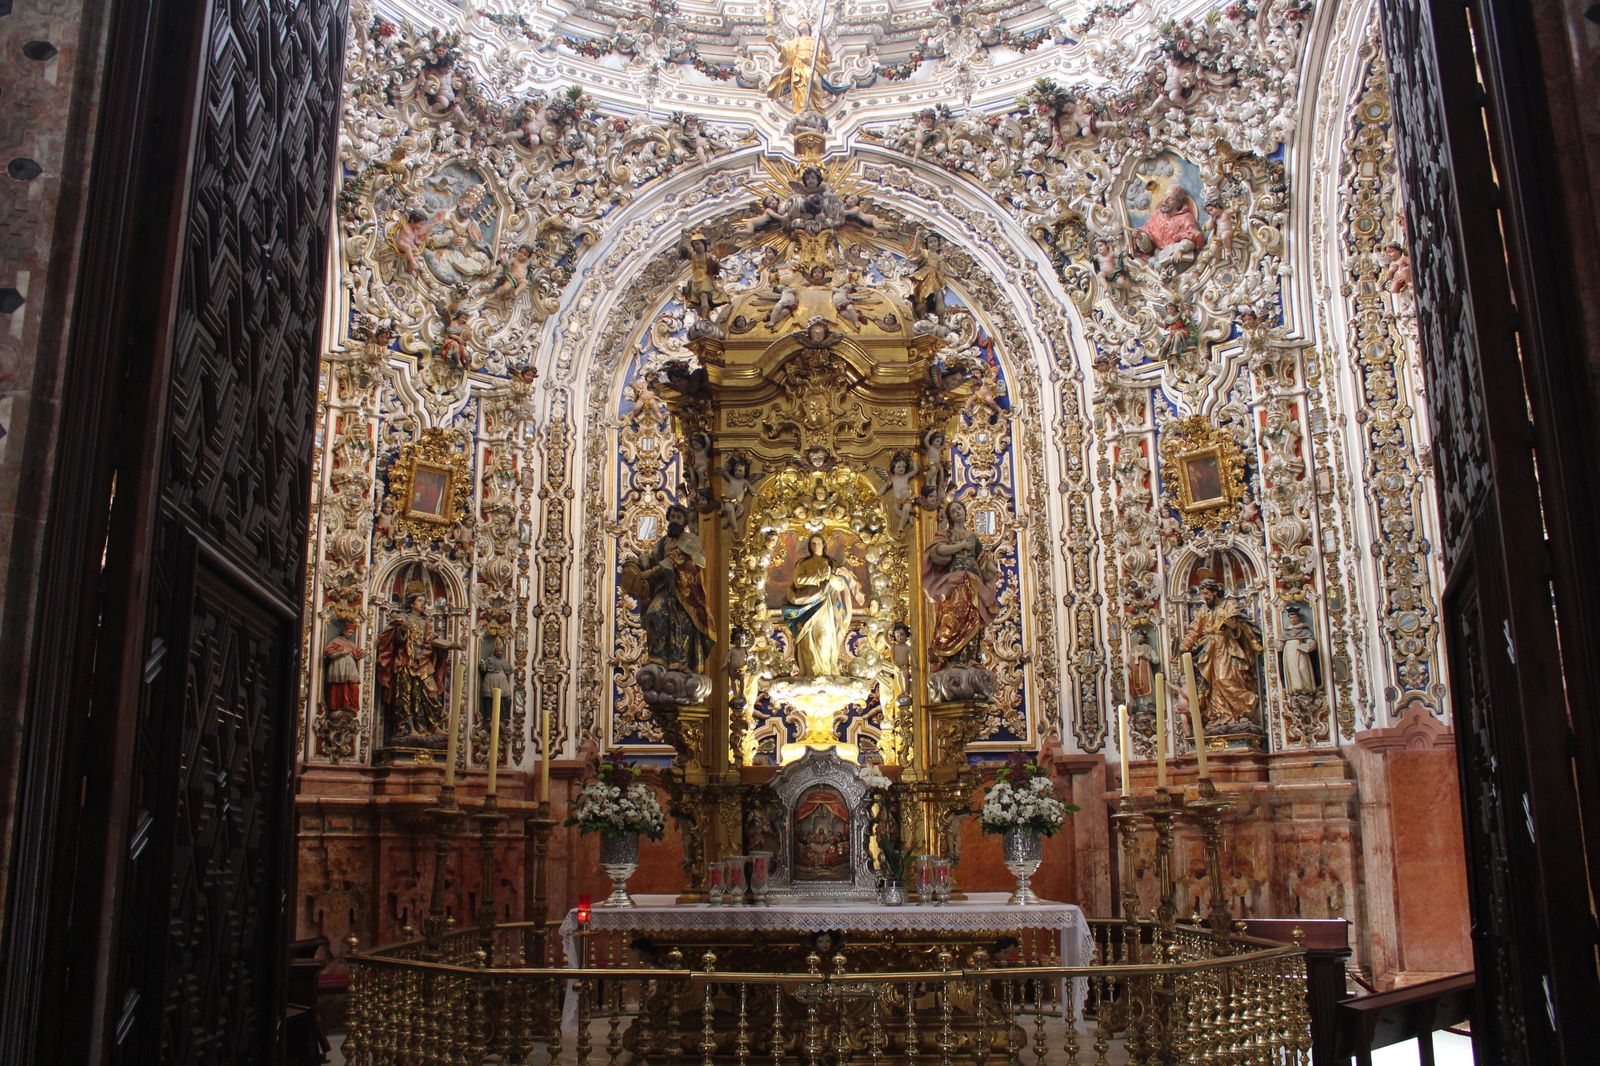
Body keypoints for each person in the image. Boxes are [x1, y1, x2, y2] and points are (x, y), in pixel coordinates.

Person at [375, 583, 460, 741]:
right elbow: (390, 639)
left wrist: (447, 645)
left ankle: (433, 725)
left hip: (423, 661)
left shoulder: (425, 622)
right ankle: (407, 728)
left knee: (431, 693)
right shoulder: (402, 619)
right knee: (405, 696)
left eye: (424, 601)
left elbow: (431, 639)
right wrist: (401, 631)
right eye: (421, 601)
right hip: (405, 661)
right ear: (412, 603)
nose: (424, 604)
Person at [635, 504, 714, 674]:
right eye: (673, 517)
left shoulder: (690, 541)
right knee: (655, 614)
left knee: (680, 625)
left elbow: (683, 561)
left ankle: (680, 661)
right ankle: (658, 657)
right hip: (665, 588)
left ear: (684, 521)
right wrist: (644, 561)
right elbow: (655, 556)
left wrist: (653, 571)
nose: (674, 520)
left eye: (679, 518)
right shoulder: (664, 541)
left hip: (685, 593)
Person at [921, 501, 1000, 667]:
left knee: (974, 617)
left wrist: (993, 567)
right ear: (950, 517)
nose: (957, 512)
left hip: (975, 583)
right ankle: (953, 658)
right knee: (954, 614)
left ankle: (971, 658)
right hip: (955, 583)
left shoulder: (973, 537)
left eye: (959, 509)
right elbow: (939, 551)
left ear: (964, 512)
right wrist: (961, 546)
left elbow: (983, 561)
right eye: (953, 510)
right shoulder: (947, 535)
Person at [1181, 577, 1264, 728]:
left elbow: (1242, 626)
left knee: (1225, 679)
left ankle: (1246, 705)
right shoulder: (1204, 610)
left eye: (1206, 593)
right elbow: (1194, 630)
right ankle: (1221, 716)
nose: (1204, 597)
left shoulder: (1229, 605)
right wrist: (1185, 644)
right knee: (1213, 685)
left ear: (1215, 592)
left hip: (1227, 647)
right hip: (1209, 651)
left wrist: (1233, 626)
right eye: (1202, 595)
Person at [782, 533, 862, 677]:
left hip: (826, 605)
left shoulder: (831, 563)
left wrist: (832, 578)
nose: (815, 546)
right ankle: (810, 671)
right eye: (813, 543)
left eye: (818, 543)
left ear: (824, 545)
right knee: (806, 639)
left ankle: (825, 671)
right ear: (809, 546)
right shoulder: (803, 563)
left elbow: (840, 585)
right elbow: (798, 581)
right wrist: (818, 577)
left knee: (824, 637)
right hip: (806, 603)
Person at [322, 618, 363, 714]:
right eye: (349, 632)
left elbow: (357, 655)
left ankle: (349, 706)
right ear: (344, 631)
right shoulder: (336, 641)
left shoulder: (351, 643)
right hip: (338, 668)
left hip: (350, 669)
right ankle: (336, 706)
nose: (351, 634)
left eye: (352, 632)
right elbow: (329, 653)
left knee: (353, 686)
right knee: (339, 686)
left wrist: (361, 653)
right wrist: (342, 653)